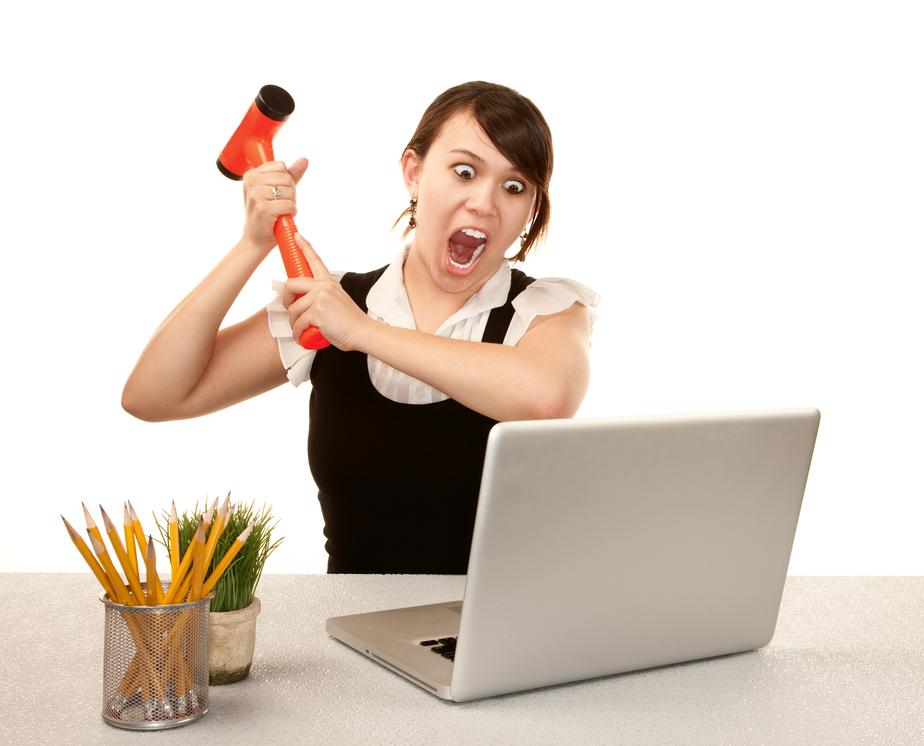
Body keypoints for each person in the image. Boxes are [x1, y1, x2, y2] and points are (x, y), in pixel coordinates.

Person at [122, 81, 601, 574]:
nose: (485, 202)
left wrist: (361, 332)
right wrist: (252, 244)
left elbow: (546, 398)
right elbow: (153, 396)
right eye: (464, 171)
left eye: (514, 186)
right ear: (414, 173)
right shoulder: (332, 304)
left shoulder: (548, 310)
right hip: (351, 630)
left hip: (498, 634)